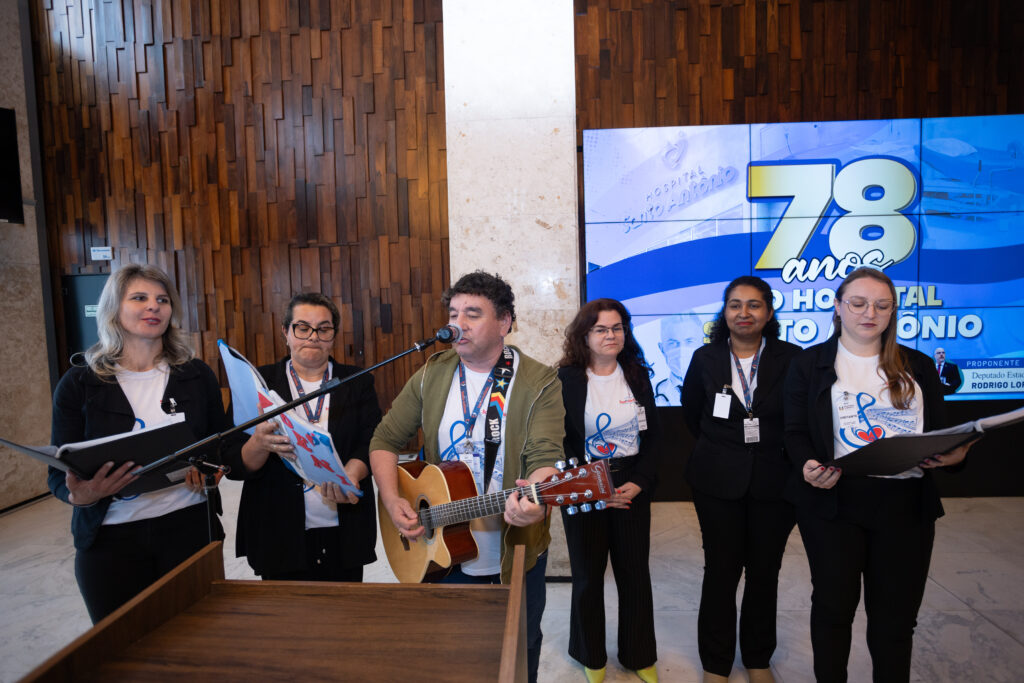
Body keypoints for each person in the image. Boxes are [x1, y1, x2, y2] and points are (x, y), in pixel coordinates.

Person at [369, 271, 564, 683]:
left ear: (505, 322)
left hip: (512, 552)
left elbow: (546, 458)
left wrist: (537, 499)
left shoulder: (539, 381)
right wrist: (391, 499)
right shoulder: (433, 372)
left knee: (518, 652)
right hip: (441, 545)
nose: (457, 324)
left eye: (472, 314)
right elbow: (385, 440)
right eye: (454, 313)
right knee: (451, 652)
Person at [784, 267, 970, 682]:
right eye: (859, 303)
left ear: (892, 312)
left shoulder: (918, 366)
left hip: (905, 509)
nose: (870, 312)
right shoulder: (808, 364)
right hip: (834, 505)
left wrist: (953, 456)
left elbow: (941, 434)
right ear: (837, 307)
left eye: (882, 305)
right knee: (833, 611)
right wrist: (806, 466)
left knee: (895, 621)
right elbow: (794, 431)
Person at [48, 264, 228, 623]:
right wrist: (80, 495)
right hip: (111, 539)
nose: (154, 307)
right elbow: (58, 473)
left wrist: (210, 472)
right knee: (122, 647)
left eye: (162, 300)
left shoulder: (196, 375)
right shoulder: (79, 383)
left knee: (197, 640)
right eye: (140, 298)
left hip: (189, 528)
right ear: (114, 309)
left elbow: (218, 446)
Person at [680, 276, 800, 683]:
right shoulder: (705, 358)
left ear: (768, 312)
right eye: (734, 305)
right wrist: (725, 449)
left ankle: (757, 659)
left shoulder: (792, 358)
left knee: (765, 573)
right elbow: (692, 412)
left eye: (753, 305)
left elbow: (798, 419)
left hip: (775, 481)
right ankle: (716, 663)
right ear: (724, 312)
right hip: (716, 480)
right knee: (721, 571)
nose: (743, 313)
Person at [224, 293, 382, 581]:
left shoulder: (357, 381)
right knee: (286, 622)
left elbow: (372, 438)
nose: (313, 337)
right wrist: (258, 444)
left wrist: (352, 472)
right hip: (277, 529)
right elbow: (230, 459)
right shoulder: (257, 382)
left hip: (344, 528)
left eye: (324, 329)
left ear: (333, 334)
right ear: (286, 332)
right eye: (302, 327)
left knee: (345, 619)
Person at [558, 298, 661, 683]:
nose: (611, 335)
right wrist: (591, 488)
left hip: (631, 484)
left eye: (617, 327)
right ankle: (591, 654)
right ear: (584, 334)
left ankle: (639, 654)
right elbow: (560, 441)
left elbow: (654, 438)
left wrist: (641, 483)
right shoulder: (566, 378)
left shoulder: (636, 374)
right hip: (582, 485)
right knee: (587, 574)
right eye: (601, 328)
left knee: (634, 573)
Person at [655, 313, 707, 405]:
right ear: (662, 349)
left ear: (702, 345)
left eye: (689, 341)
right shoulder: (652, 391)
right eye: (673, 343)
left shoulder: (717, 386)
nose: (681, 350)